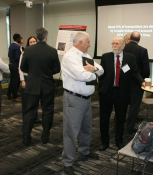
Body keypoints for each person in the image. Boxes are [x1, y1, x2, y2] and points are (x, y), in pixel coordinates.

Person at [61, 32, 104, 175]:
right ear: (80, 43)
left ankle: (84, 152)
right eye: (88, 42)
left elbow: (102, 69)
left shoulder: (87, 57)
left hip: (86, 99)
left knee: (86, 128)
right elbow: (81, 75)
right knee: (71, 132)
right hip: (74, 99)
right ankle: (68, 162)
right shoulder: (69, 57)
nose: (90, 45)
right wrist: (95, 74)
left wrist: (94, 69)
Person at [98, 37, 145, 151]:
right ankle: (104, 141)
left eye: (117, 44)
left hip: (122, 93)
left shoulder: (130, 58)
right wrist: (102, 88)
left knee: (120, 118)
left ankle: (118, 140)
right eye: (113, 43)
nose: (114, 45)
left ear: (123, 45)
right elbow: (101, 74)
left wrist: (142, 82)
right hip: (107, 93)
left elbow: (135, 72)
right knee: (104, 118)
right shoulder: (106, 57)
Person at [20, 27, 60, 146]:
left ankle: (26, 137)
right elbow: (57, 69)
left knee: (30, 112)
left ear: (36, 37)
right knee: (47, 111)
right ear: (46, 37)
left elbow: (23, 68)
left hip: (32, 85)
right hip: (47, 85)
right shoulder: (52, 51)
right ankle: (45, 136)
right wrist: (47, 72)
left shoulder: (28, 50)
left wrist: (32, 72)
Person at [124, 31, 150, 134]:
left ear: (130, 38)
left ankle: (118, 123)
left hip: (124, 82)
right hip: (137, 82)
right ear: (139, 40)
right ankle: (130, 126)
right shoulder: (143, 50)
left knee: (122, 104)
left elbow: (121, 65)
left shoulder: (123, 48)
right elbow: (146, 69)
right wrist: (143, 81)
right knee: (134, 106)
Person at [18, 36, 41, 124]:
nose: (32, 43)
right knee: (26, 100)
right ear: (28, 43)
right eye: (31, 42)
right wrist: (22, 80)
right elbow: (20, 68)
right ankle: (26, 118)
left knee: (35, 99)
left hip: (36, 78)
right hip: (26, 78)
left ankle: (35, 117)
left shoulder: (39, 52)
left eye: (34, 42)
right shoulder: (24, 53)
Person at [6, 33, 22, 102]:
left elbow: (9, 55)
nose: (21, 39)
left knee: (12, 80)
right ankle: (14, 96)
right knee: (15, 81)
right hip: (15, 65)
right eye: (20, 37)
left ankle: (8, 94)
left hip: (11, 64)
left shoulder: (11, 45)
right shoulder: (17, 46)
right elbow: (17, 57)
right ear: (17, 38)